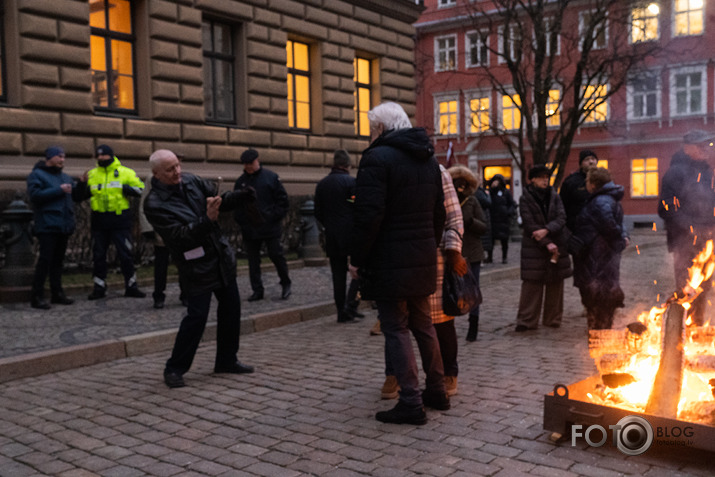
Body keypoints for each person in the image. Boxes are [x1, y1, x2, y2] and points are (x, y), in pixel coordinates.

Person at [349, 101, 448, 425]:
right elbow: (439, 213)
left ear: (382, 128)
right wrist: (428, 247)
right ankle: (437, 390)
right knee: (424, 324)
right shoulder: (428, 159)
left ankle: (410, 400)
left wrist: (357, 259)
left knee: (396, 328)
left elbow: (367, 216)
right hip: (421, 257)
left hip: (390, 259)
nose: (370, 133)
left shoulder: (377, 158)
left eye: (372, 127)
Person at [144, 149, 256, 388]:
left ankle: (226, 359)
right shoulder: (154, 203)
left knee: (231, 310)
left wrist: (241, 197)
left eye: (177, 166)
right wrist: (208, 219)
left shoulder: (192, 180)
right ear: (156, 174)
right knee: (196, 318)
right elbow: (179, 237)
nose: (177, 172)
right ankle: (174, 368)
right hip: (195, 266)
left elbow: (218, 201)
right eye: (170, 169)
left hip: (219, 257)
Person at [658, 129, 715, 326]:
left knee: (703, 289)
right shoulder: (676, 173)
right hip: (685, 244)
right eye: (701, 145)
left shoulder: (706, 172)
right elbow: (665, 208)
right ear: (687, 148)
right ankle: (680, 335)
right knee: (686, 290)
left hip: (706, 242)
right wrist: (690, 229)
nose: (706, 148)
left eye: (707, 144)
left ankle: (695, 330)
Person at [76, 144, 146, 300]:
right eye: (98, 156)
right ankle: (99, 287)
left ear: (111, 156)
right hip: (99, 221)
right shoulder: (92, 174)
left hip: (120, 220)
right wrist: (81, 183)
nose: (101, 158)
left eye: (104, 156)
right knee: (99, 255)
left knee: (125, 254)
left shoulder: (125, 172)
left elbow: (142, 189)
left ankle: (131, 286)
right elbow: (78, 196)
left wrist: (126, 188)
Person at [570, 167, 629, 330]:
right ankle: (601, 331)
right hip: (603, 256)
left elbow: (609, 224)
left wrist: (620, 240)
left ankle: (599, 335)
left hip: (598, 256)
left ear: (594, 183)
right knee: (603, 294)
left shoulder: (600, 201)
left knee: (598, 297)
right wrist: (622, 238)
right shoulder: (608, 199)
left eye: (587, 181)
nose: (586, 185)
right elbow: (619, 224)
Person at [515, 165, 572, 332]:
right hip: (534, 247)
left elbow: (562, 218)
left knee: (555, 282)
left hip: (556, 243)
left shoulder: (555, 196)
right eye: (541, 177)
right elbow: (529, 223)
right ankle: (526, 321)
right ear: (532, 179)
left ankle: (553, 318)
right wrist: (546, 242)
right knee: (532, 284)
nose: (545, 180)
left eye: (547, 177)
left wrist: (547, 230)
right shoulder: (525, 198)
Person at [233, 149, 292, 301]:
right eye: (246, 164)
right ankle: (257, 290)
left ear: (257, 161)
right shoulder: (241, 182)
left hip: (269, 226)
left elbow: (282, 201)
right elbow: (236, 205)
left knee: (276, 255)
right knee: (253, 262)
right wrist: (244, 222)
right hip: (250, 228)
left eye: (251, 163)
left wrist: (273, 217)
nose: (248, 167)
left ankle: (285, 283)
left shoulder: (270, 178)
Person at [26, 146, 80, 309]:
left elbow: (76, 196)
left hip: (63, 225)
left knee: (58, 262)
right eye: (59, 157)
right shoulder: (37, 175)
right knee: (45, 260)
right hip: (47, 224)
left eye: (64, 157)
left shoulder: (65, 176)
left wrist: (82, 184)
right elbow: (35, 196)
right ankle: (37, 296)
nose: (62, 160)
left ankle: (57, 293)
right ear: (50, 158)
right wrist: (59, 190)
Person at [314, 149, 363, 323]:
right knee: (359, 269)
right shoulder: (351, 182)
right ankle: (351, 305)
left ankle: (341, 311)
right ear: (347, 165)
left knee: (338, 275)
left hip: (332, 235)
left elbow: (317, 211)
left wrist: (329, 224)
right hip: (351, 234)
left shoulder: (322, 184)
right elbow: (357, 206)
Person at [449, 165, 488, 342]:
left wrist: (471, 222)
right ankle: (448, 325)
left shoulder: (472, 201)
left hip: (472, 253)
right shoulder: (447, 202)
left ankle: (473, 326)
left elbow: (484, 226)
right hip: (452, 252)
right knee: (452, 291)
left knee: (472, 290)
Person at [139, 175, 187, 309]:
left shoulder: (183, 178)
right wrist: (147, 228)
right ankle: (158, 295)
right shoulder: (152, 179)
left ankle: (186, 294)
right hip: (161, 231)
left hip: (179, 231)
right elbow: (144, 203)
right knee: (161, 266)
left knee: (184, 265)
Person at [560, 149, 599, 234]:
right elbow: (562, 206)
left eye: (593, 158)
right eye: (587, 159)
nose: (591, 162)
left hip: (599, 229)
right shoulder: (571, 181)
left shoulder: (603, 179)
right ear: (581, 164)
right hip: (577, 230)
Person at [487, 174, 515, 264]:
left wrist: (508, 212)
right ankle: (490, 257)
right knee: (491, 240)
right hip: (493, 219)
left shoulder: (506, 192)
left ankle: (504, 257)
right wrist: (491, 188)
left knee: (504, 240)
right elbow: (487, 201)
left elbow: (512, 204)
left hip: (504, 220)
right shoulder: (490, 192)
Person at [474, 175, 492, 264]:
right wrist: (488, 196)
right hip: (481, 217)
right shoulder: (479, 192)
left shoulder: (479, 191)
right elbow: (488, 203)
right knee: (482, 240)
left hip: (482, 217)